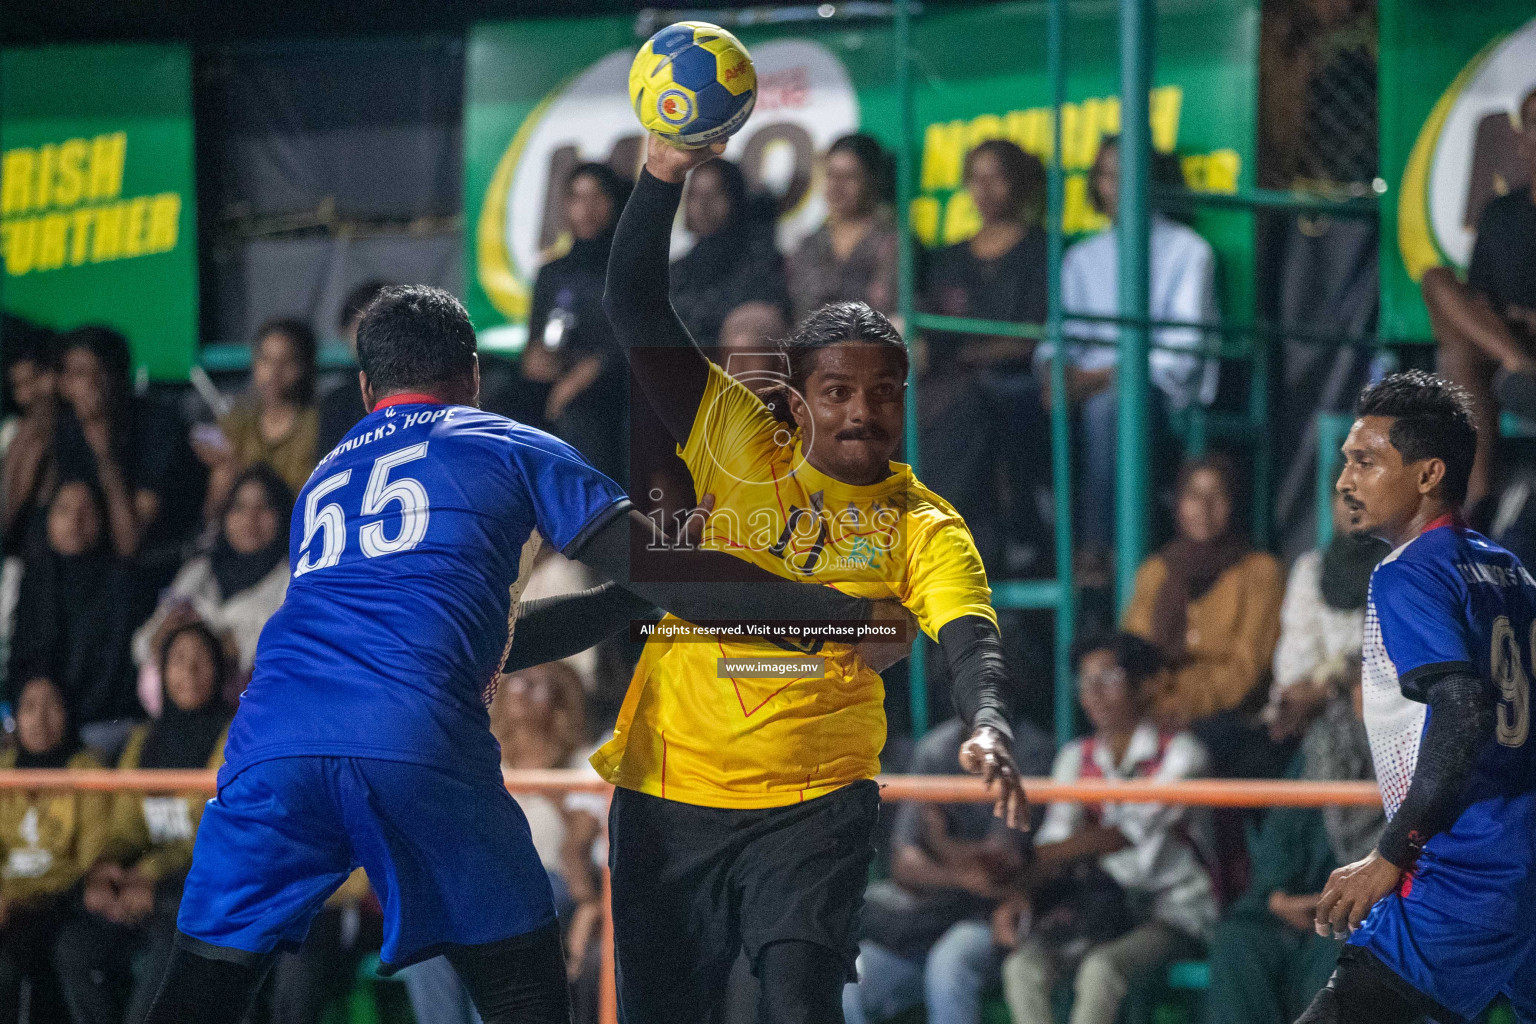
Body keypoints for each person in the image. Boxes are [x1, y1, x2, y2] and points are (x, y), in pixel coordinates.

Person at [135, 284, 908, 1024]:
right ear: (472, 374)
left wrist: (621, 603)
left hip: (269, 748)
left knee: (198, 995)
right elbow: (663, 570)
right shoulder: (504, 442)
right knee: (525, 998)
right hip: (416, 742)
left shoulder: (323, 481)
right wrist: (841, 613)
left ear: (369, 388)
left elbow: (473, 637)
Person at [596, 133, 1027, 1024]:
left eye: (882, 393)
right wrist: (663, 172)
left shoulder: (925, 526)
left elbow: (969, 637)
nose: (862, 411)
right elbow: (635, 304)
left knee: (798, 1004)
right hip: (669, 791)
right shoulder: (739, 447)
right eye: (836, 391)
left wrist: (985, 721)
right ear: (797, 400)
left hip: (815, 805)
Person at [1297, 371, 1536, 1023]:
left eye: (1365, 461)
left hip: (1466, 871)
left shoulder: (1409, 572)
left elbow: (1462, 709)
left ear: (1428, 475)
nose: (1345, 480)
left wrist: (1389, 855)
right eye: (1346, 461)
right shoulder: (1510, 569)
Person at [996, 632, 1215, 1024]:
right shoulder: (1075, 757)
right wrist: (1021, 893)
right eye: (1085, 682)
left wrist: (1032, 861)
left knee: (1101, 970)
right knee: (1021, 968)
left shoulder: (1182, 754)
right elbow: (1057, 840)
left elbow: (1127, 833)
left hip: (1168, 910)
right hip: (1098, 907)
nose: (1093, 693)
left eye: (1108, 679)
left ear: (1145, 686)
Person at [1036, 135, 1219, 562]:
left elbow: (1181, 356)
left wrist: (1100, 378)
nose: (1117, 184)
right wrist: (1053, 374)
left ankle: (1102, 551)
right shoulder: (1081, 257)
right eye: (1106, 174)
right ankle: (1028, 551)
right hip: (1085, 386)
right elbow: (1057, 342)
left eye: (1129, 173)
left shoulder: (1189, 251)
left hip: (1155, 394)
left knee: (1109, 408)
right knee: (1006, 406)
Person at [399, 661, 599, 1024]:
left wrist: (546, 785)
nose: (520, 690)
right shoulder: (483, 758)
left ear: (559, 701)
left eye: (535, 685)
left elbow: (581, 847)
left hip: (552, 880)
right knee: (430, 944)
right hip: (482, 881)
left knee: (503, 912)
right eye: (517, 681)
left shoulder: (580, 766)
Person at [54, 622, 233, 1024]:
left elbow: (218, 839)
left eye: (201, 662)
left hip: (198, 886)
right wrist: (105, 870)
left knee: (173, 931)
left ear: (219, 670)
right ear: (162, 671)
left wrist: (151, 876)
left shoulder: (234, 738)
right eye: (178, 661)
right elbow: (123, 827)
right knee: (75, 947)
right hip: (142, 885)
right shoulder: (143, 740)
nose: (188, 673)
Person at [842, 712, 1054, 1024]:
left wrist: (940, 843)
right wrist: (961, 873)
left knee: (950, 960)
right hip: (925, 917)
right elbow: (904, 864)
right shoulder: (936, 747)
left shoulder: (1030, 747)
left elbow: (997, 865)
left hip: (990, 914)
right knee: (846, 977)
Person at [1204, 665, 1383, 1024]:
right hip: (1301, 905)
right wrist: (1276, 896)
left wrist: (1344, 899)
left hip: (1368, 908)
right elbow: (1280, 836)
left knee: (1341, 948)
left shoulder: (1415, 751)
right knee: (1239, 940)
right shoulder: (1323, 746)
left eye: (1377, 685)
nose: (1364, 697)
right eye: (1358, 685)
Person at [921, 139, 1050, 574]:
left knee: (973, 401)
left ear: (1019, 183)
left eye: (996, 177)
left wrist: (973, 353)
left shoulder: (1042, 251)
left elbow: (1036, 335)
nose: (985, 189)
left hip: (1020, 382)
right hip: (957, 383)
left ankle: (981, 538)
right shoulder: (951, 258)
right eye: (976, 178)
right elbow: (934, 336)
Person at [1422, 87, 1536, 512]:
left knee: (1458, 353)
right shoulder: (1501, 213)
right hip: (1508, 342)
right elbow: (1479, 298)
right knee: (1438, 282)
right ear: (1522, 140)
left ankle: (1476, 500)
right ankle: (1478, 503)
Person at [2, 326, 199, 562]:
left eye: (95, 373)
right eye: (75, 375)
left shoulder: (158, 425)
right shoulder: (62, 425)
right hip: (68, 567)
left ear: (119, 377)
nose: (88, 386)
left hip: (139, 567)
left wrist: (103, 450)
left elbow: (129, 543)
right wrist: (34, 424)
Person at [1123, 455, 1285, 729]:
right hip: (1156, 713)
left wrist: (1184, 704)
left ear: (1234, 503)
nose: (1204, 508)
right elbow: (1134, 654)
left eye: (1217, 496)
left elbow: (1247, 671)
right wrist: (1159, 703)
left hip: (1229, 719)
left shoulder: (1260, 572)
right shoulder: (1155, 572)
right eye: (1193, 495)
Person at [134, 464, 293, 703]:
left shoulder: (293, 579)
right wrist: (165, 634)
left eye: (264, 507)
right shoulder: (199, 571)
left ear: (282, 514)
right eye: (239, 507)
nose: (250, 518)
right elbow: (142, 646)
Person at [0, 676, 109, 1024]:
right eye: (29, 707)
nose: (41, 718)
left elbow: (91, 857)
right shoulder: (3, 771)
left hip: (64, 904)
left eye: (52, 706)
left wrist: (17, 898)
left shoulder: (87, 771)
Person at [8, 479, 153, 735]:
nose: (75, 520)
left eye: (86, 510)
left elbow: (114, 673)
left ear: (102, 519)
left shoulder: (120, 582)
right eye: (63, 509)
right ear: (48, 519)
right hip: (40, 729)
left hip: (100, 725)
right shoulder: (33, 581)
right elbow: (22, 663)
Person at [521, 163, 631, 484]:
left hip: (613, 379)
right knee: (503, 397)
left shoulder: (627, 267)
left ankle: (595, 519)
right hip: (561, 373)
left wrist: (578, 378)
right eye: (577, 198)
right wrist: (536, 358)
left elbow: (625, 343)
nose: (587, 209)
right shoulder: (552, 272)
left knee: (578, 413)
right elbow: (535, 341)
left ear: (614, 204)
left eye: (597, 198)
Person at [1264, 491, 1388, 744]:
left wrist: (1328, 688)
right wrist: (1301, 693)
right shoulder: (1313, 568)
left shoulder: (1400, 567)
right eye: (1345, 495)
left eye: (1366, 492)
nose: (1354, 505)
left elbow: (1388, 660)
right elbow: (1292, 661)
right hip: (1312, 709)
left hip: (1376, 709)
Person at [197, 318, 319, 511]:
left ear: (304, 367)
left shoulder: (315, 425)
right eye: (266, 360)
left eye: (286, 361)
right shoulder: (238, 420)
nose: (274, 372)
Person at [668, 157, 788, 347]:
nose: (702, 205)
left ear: (735, 199)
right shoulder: (675, 271)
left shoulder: (760, 263)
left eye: (714, 194)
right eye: (695, 195)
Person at [787, 133, 897, 321]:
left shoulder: (891, 238)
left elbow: (887, 305)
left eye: (849, 177)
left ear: (872, 180)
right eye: (831, 175)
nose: (836, 187)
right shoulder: (811, 243)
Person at [315, 280, 390, 456]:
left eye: (380, 326)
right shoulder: (335, 404)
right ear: (344, 333)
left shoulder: (423, 390)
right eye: (361, 327)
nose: (372, 338)